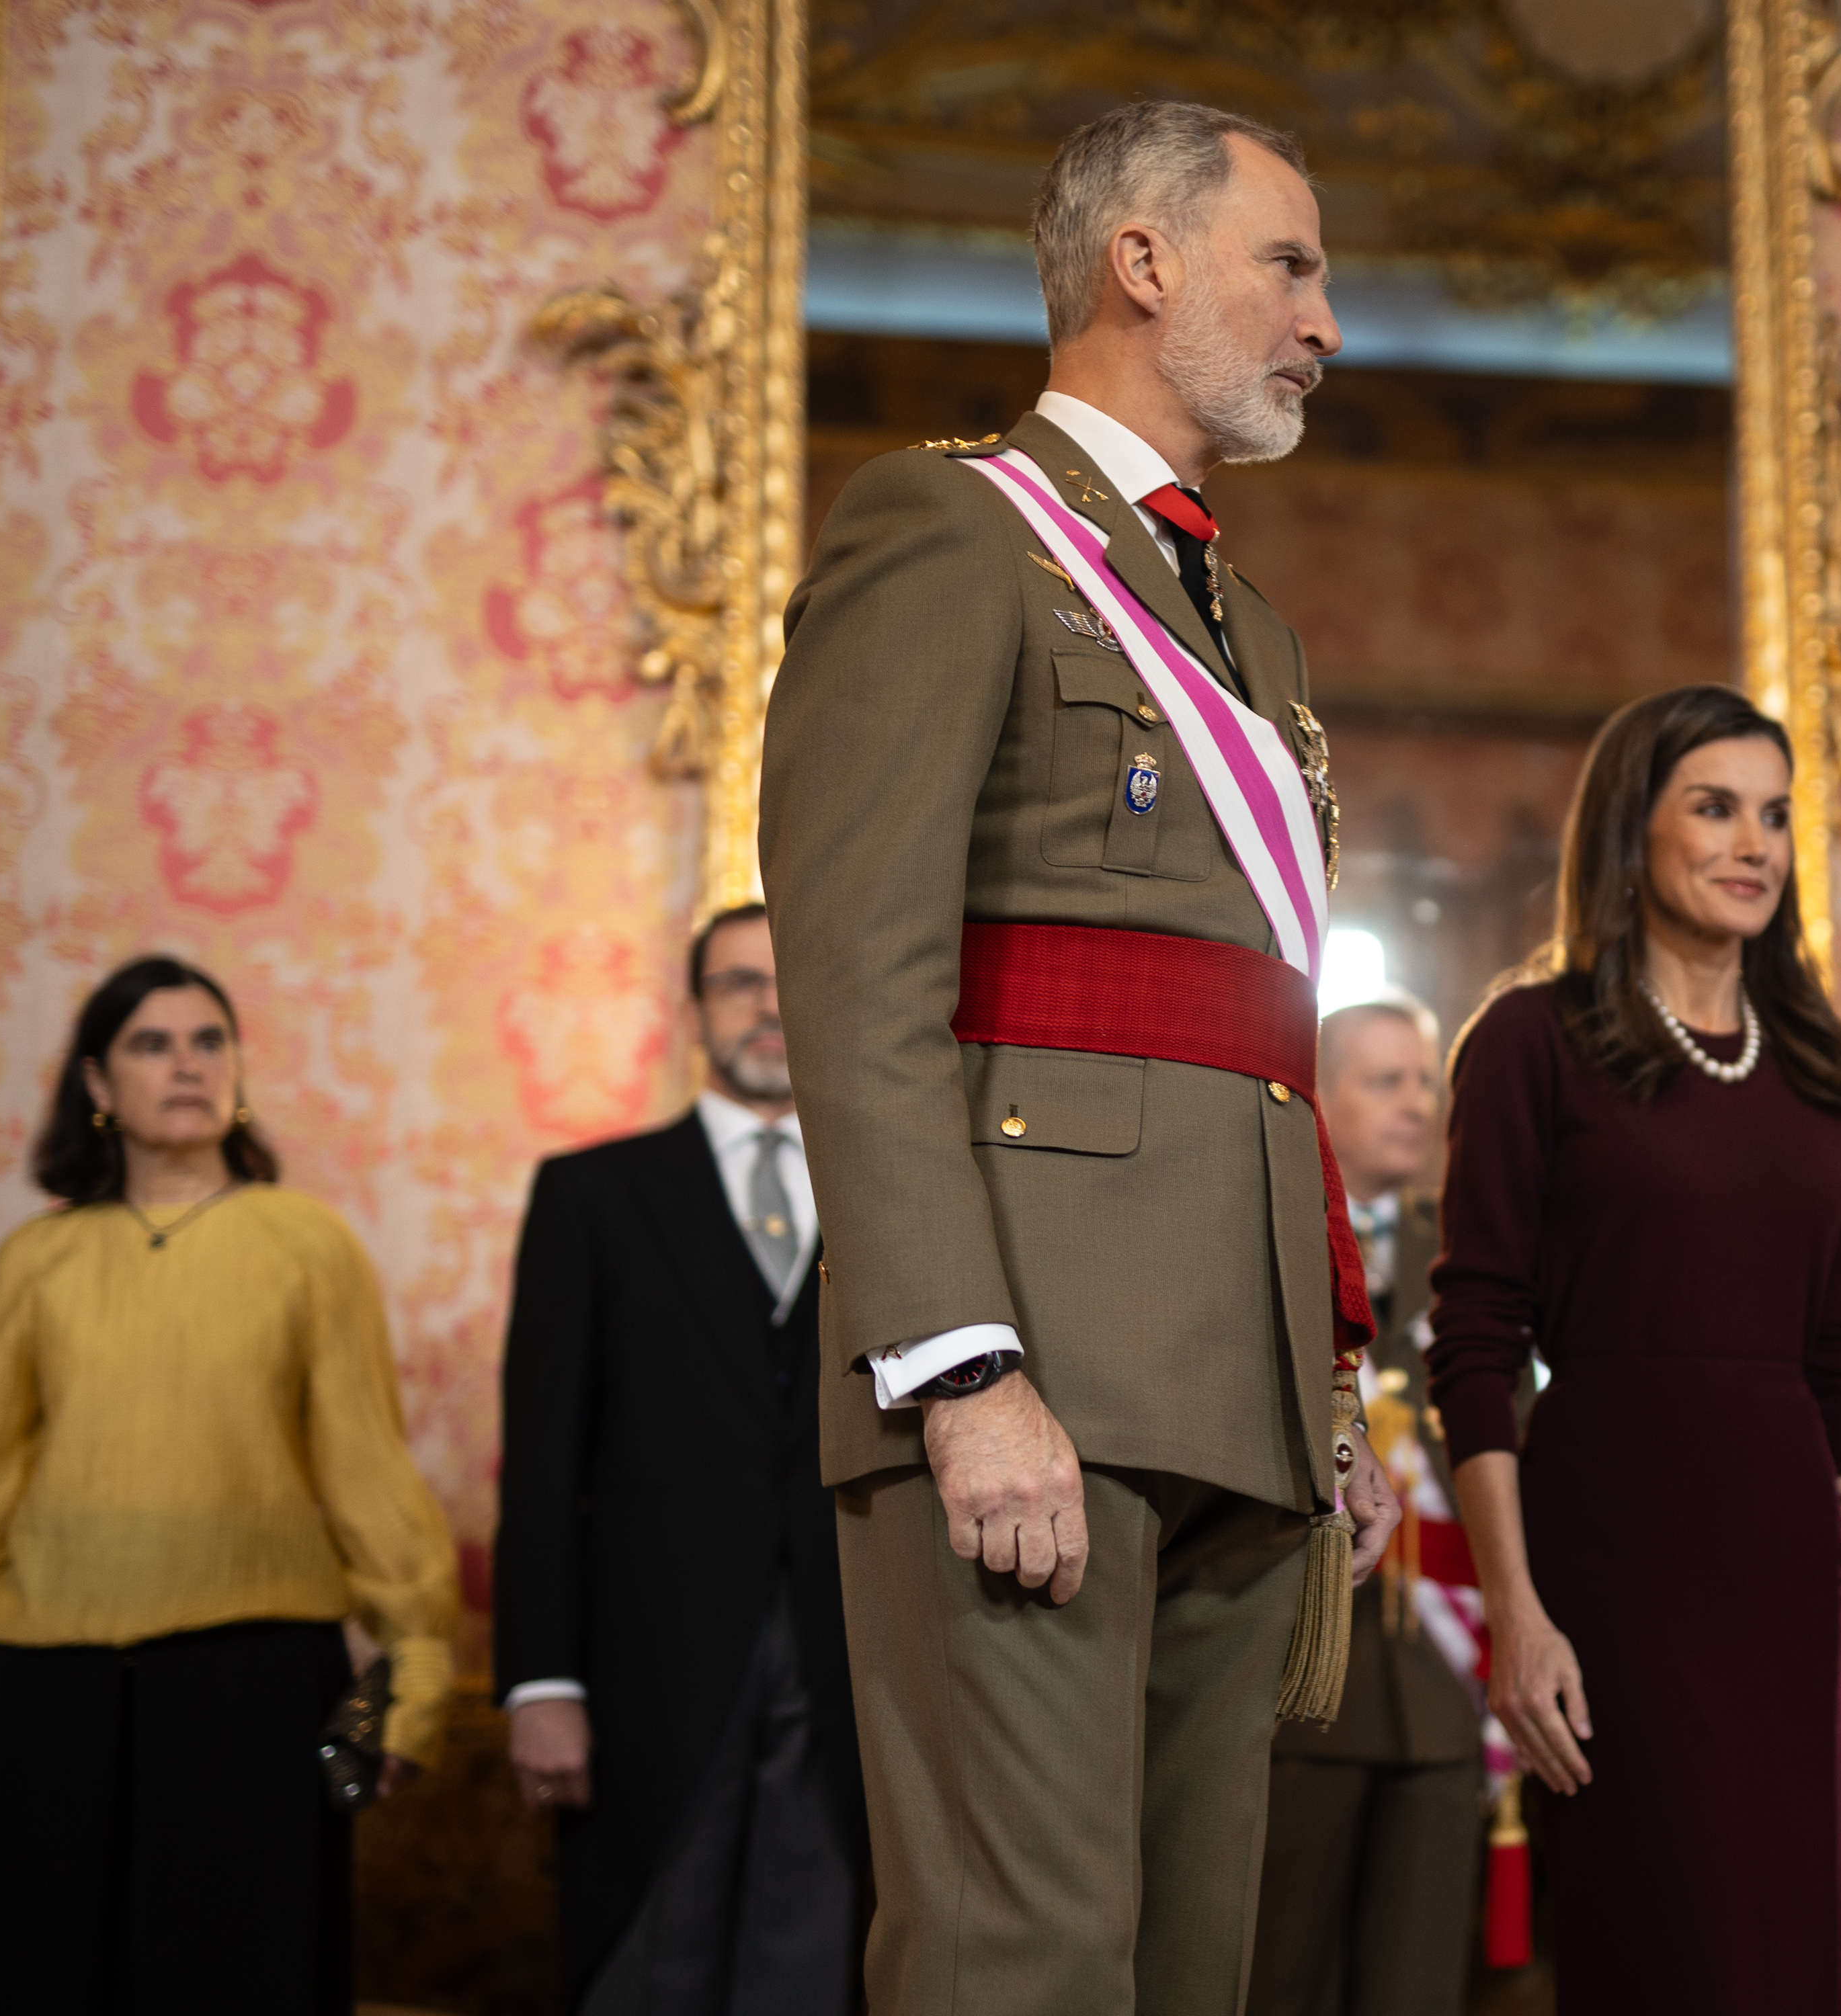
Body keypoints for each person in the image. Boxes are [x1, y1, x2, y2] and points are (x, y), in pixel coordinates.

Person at [758, 99, 1400, 2016]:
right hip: (1029, 1357)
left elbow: (1255, 1033)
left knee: (1185, 1962)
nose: (1324, 320)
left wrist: (1329, 1385)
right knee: (1013, 1960)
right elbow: (857, 982)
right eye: (1287, 264)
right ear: (1143, 261)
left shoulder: (1251, 629)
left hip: (1232, 1378)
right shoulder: (942, 529)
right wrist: (956, 1367)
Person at [1426, 683, 1841, 2014]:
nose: (1753, 843)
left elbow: (1830, 1365)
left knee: (1786, 1956)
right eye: (1715, 808)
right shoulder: (1536, 1040)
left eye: (1774, 815)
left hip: (1784, 1568)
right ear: (1634, 829)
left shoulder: (1820, 1065)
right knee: (1662, 1947)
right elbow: (1473, 1341)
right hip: (1616, 1558)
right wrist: (1517, 1615)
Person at [0, 955, 458, 2015]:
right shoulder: (38, 1259)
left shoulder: (307, 1244)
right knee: (36, 1977)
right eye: (151, 1045)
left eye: (210, 1040)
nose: (187, 1065)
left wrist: (420, 1668)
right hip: (43, 1686)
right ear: (98, 1087)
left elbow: (365, 1469)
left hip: (250, 1680)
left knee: (237, 1977)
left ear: (239, 1072)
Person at [495, 902, 868, 2014]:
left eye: (784, 978)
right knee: (647, 1961)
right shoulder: (593, 1196)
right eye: (736, 983)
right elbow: (543, 1459)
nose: (764, 1004)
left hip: (844, 1651)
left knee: (811, 1962)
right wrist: (540, 1679)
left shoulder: (893, 1204)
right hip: (645, 1667)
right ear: (695, 1011)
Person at [1251, 995, 1484, 2016]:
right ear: (1319, 1092)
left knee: (1420, 1978)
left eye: (1425, 1081)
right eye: (1384, 1081)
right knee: (1278, 1968)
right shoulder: (1268, 1218)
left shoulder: (1468, 1248)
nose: (1416, 1103)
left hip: (1441, 1680)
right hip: (1304, 1670)